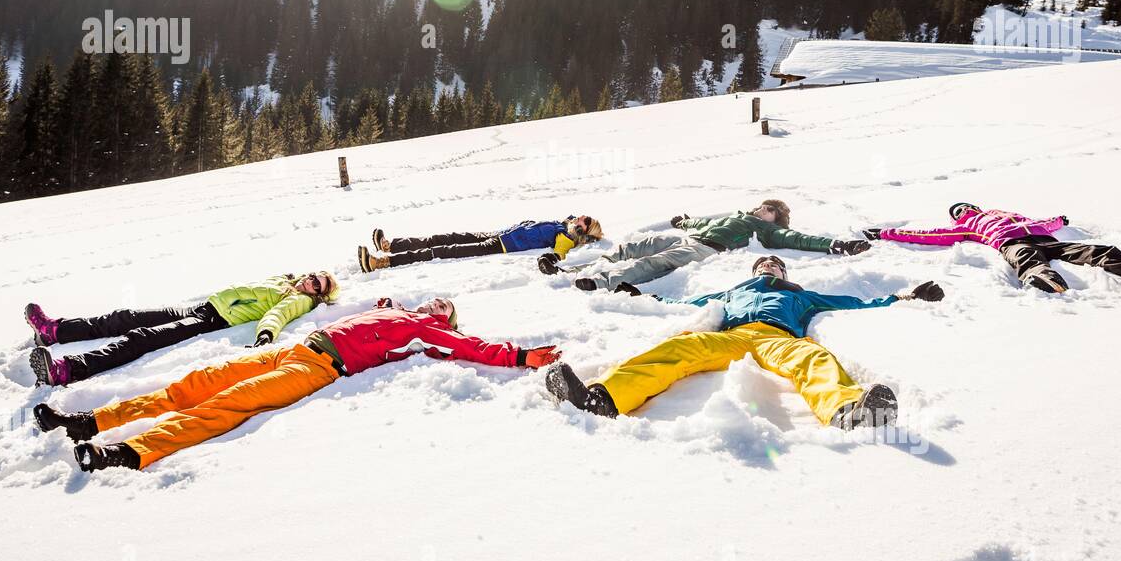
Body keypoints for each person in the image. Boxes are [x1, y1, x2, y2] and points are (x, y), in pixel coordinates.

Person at [34, 295, 561, 472]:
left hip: (316, 369)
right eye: (434, 301)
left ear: (447, 320)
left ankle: (125, 452)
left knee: (225, 405)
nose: (434, 306)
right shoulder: (397, 309)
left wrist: (519, 355)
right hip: (291, 349)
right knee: (193, 383)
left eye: (443, 309)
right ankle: (89, 420)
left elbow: (472, 348)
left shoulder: (431, 332)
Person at [543, 255, 944, 429]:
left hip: (777, 339)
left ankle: (846, 410)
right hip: (730, 338)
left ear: (783, 271)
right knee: (676, 350)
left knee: (812, 358)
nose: (768, 266)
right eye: (763, 265)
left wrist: (905, 297)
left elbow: (853, 302)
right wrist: (640, 296)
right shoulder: (732, 293)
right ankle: (602, 399)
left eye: (774, 264)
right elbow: (683, 303)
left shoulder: (798, 294)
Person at [24, 271, 339, 387]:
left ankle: (66, 371)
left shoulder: (297, 300)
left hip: (212, 321)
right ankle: (54, 332)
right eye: (314, 277)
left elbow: (277, 316)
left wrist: (266, 335)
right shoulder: (285, 280)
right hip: (203, 306)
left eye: (317, 286)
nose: (310, 283)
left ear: (317, 295)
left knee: (140, 339)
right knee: (126, 317)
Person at [865, 202, 1121, 295]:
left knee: (1102, 252)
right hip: (1014, 244)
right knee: (1026, 261)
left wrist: (1058, 220)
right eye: (959, 213)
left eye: (966, 208)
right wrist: (886, 233)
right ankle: (1043, 281)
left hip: (1047, 238)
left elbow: (1046, 224)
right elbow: (928, 235)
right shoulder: (967, 228)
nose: (965, 213)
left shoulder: (1007, 213)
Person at [555, 199, 870, 293]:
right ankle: (584, 267)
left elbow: (798, 239)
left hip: (707, 249)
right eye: (763, 206)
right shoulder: (738, 214)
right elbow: (703, 224)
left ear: (775, 219)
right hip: (691, 237)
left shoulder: (764, 229)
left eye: (769, 210)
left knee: (654, 262)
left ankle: (598, 282)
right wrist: (684, 222)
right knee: (638, 245)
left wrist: (836, 245)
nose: (762, 210)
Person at [360, 215, 603, 272]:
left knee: (443, 251)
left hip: (501, 245)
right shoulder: (564, 223)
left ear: (583, 232)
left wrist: (551, 261)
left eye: (585, 223)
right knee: (447, 238)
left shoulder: (566, 238)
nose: (580, 220)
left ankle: (382, 262)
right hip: (498, 234)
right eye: (584, 217)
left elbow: (559, 254)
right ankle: (392, 245)